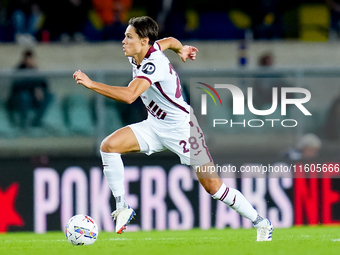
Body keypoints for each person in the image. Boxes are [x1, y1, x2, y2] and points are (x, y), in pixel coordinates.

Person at [73, 16, 273, 241]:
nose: (124, 41)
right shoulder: (145, 51)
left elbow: (130, 96)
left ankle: (261, 223)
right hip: (155, 126)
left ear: (143, 41)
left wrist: (92, 84)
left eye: (129, 37)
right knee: (109, 146)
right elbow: (168, 41)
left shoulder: (153, 63)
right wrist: (182, 49)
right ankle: (122, 206)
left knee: (214, 188)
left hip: (183, 130)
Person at [7, 49, 52, 128]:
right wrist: (35, 87)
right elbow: (17, 86)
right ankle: (24, 123)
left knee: (49, 96)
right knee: (24, 96)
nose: (30, 60)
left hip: (33, 98)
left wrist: (39, 88)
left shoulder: (36, 70)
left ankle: (37, 121)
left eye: (31, 58)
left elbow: (44, 84)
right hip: (20, 98)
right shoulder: (18, 70)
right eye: (27, 58)